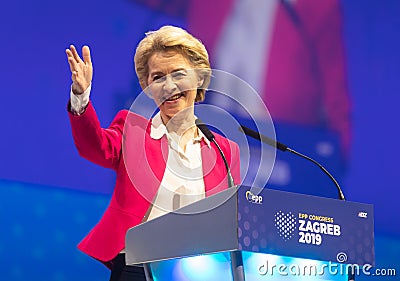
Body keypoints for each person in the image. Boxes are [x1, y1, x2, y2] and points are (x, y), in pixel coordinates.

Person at [66, 25, 241, 281]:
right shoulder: (133, 129)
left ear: (200, 78)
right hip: (138, 269)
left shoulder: (225, 151)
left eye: (178, 74)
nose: (168, 86)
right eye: (158, 77)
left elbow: (229, 221)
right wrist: (81, 95)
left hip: (200, 273)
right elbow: (94, 147)